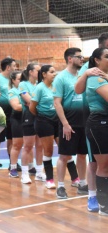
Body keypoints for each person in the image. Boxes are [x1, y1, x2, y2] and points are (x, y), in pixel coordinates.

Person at [75, 33, 108, 212]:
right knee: (96, 162)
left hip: (102, 120)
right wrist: (87, 73)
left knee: (103, 163)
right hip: (95, 119)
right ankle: (95, 198)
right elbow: (78, 89)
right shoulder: (92, 73)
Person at [53, 47, 88, 199]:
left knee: (82, 154)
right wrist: (65, 124)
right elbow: (57, 103)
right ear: (70, 58)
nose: (82, 59)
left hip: (84, 122)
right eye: (79, 57)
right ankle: (60, 186)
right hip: (69, 123)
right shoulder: (61, 78)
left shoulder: (82, 76)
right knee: (64, 156)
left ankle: (83, 184)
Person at [84, 47, 108, 215]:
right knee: (103, 165)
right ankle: (104, 205)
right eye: (107, 56)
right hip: (99, 123)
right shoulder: (95, 78)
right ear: (97, 60)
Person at [29, 65, 58, 189]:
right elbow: (32, 107)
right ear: (44, 74)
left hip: (57, 120)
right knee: (49, 151)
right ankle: (49, 179)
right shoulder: (40, 88)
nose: (55, 74)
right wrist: (42, 117)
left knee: (65, 149)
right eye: (52, 72)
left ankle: (75, 178)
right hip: (44, 121)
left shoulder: (56, 86)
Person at [18, 64, 46, 184]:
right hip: (29, 116)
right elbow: (28, 100)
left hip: (41, 115)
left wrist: (36, 102)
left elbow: (43, 100)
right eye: (38, 70)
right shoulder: (23, 84)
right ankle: (24, 174)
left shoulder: (41, 85)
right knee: (28, 146)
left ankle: (39, 172)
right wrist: (37, 102)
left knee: (40, 146)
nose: (40, 73)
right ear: (30, 72)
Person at [0, 57, 18, 174]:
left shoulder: (13, 80)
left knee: (11, 140)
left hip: (12, 113)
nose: (15, 68)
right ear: (8, 67)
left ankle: (13, 163)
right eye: (14, 66)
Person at [8, 71, 23, 178]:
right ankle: (13, 168)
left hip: (28, 118)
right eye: (19, 79)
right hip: (17, 119)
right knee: (16, 144)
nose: (21, 81)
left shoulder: (27, 89)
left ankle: (31, 167)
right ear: (13, 80)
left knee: (29, 145)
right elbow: (16, 107)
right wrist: (30, 105)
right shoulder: (12, 91)